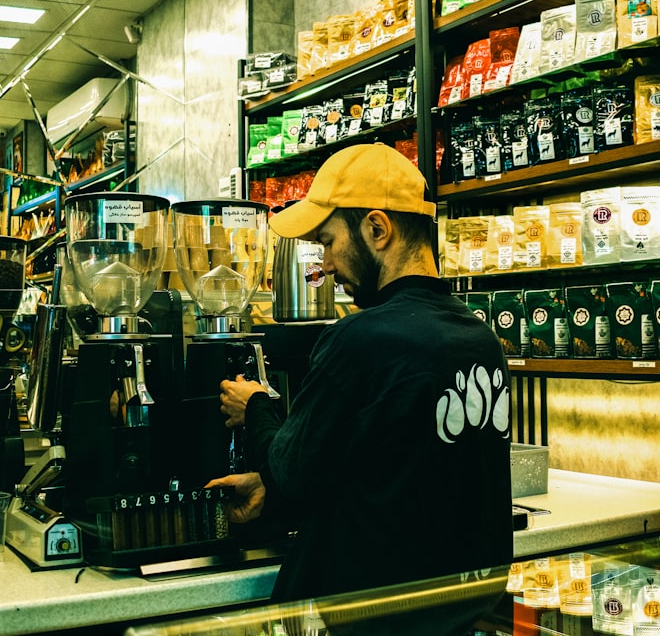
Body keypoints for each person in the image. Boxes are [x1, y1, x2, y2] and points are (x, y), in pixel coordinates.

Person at [207, 143, 513, 610]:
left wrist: (255, 406)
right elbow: (390, 471)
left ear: (377, 229)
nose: (326, 266)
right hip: (455, 610)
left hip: (369, 613)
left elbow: (293, 474)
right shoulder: (481, 339)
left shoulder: (360, 339)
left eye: (329, 242)